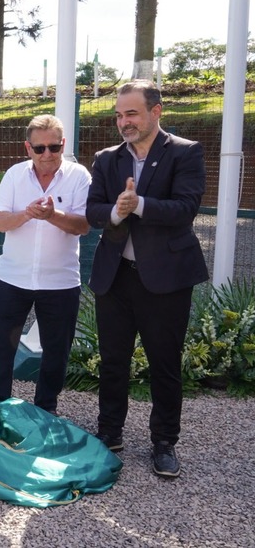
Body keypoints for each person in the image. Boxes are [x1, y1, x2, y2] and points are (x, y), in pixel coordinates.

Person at [87, 80, 208, 478]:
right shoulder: (107, 158)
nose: (124, 122)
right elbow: (93, 211)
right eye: (120, 115)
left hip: (166, 278)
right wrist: (117, 213)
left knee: (164, 363)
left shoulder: (185, 153)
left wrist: (138, 204)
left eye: (132, 113)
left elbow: (186, 208)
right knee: (113, 361)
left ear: (156, 112)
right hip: (116, 276)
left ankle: (164, 442)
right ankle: (109, 435)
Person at [0, 115, 92, 414]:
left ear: (63, 145)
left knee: (56, 353)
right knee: (0, 349)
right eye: (40, 147)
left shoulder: (79, 176)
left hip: (60, 283)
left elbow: (83, 225)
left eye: (54, 147)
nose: (47, 154)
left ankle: (46, 412)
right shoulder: (15, 175)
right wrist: (27, 214)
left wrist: (52, 216)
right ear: (28, 147)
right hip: (12, 279)